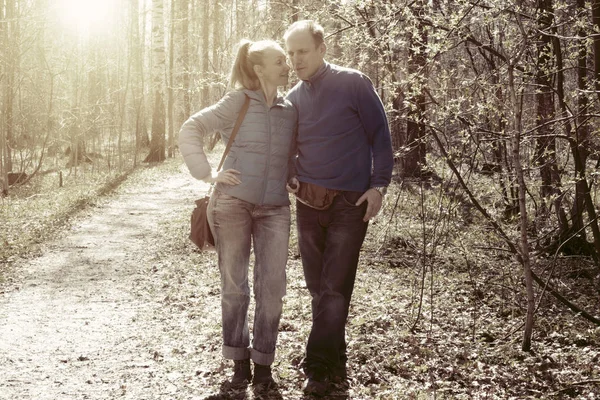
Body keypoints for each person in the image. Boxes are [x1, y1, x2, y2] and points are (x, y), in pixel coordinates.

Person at [284, 20, 394, 396]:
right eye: (291, 52)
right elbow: (289, 149)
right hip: (308, 203)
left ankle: (316, 365)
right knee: (318, 287)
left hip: (351, 203)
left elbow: (381, 136)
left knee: (334, 287)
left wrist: (379, 186)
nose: (295, 59)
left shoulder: (354, 83)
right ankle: (336, 355)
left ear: (321, 49)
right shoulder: (294, 98)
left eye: (302, 51)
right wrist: (291, 175)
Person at [178, 39, 297, 389]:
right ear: (259, 69)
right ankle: (238, 357)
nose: (286, 64)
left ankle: (263, 361)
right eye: (279, 60)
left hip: (275, 208)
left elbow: (289, 153)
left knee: (272, 288)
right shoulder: (237, 101)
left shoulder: (290, 108)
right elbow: (190, 129)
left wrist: (291, 174)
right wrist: (208, 174)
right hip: (232, 204)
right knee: (235, 286)